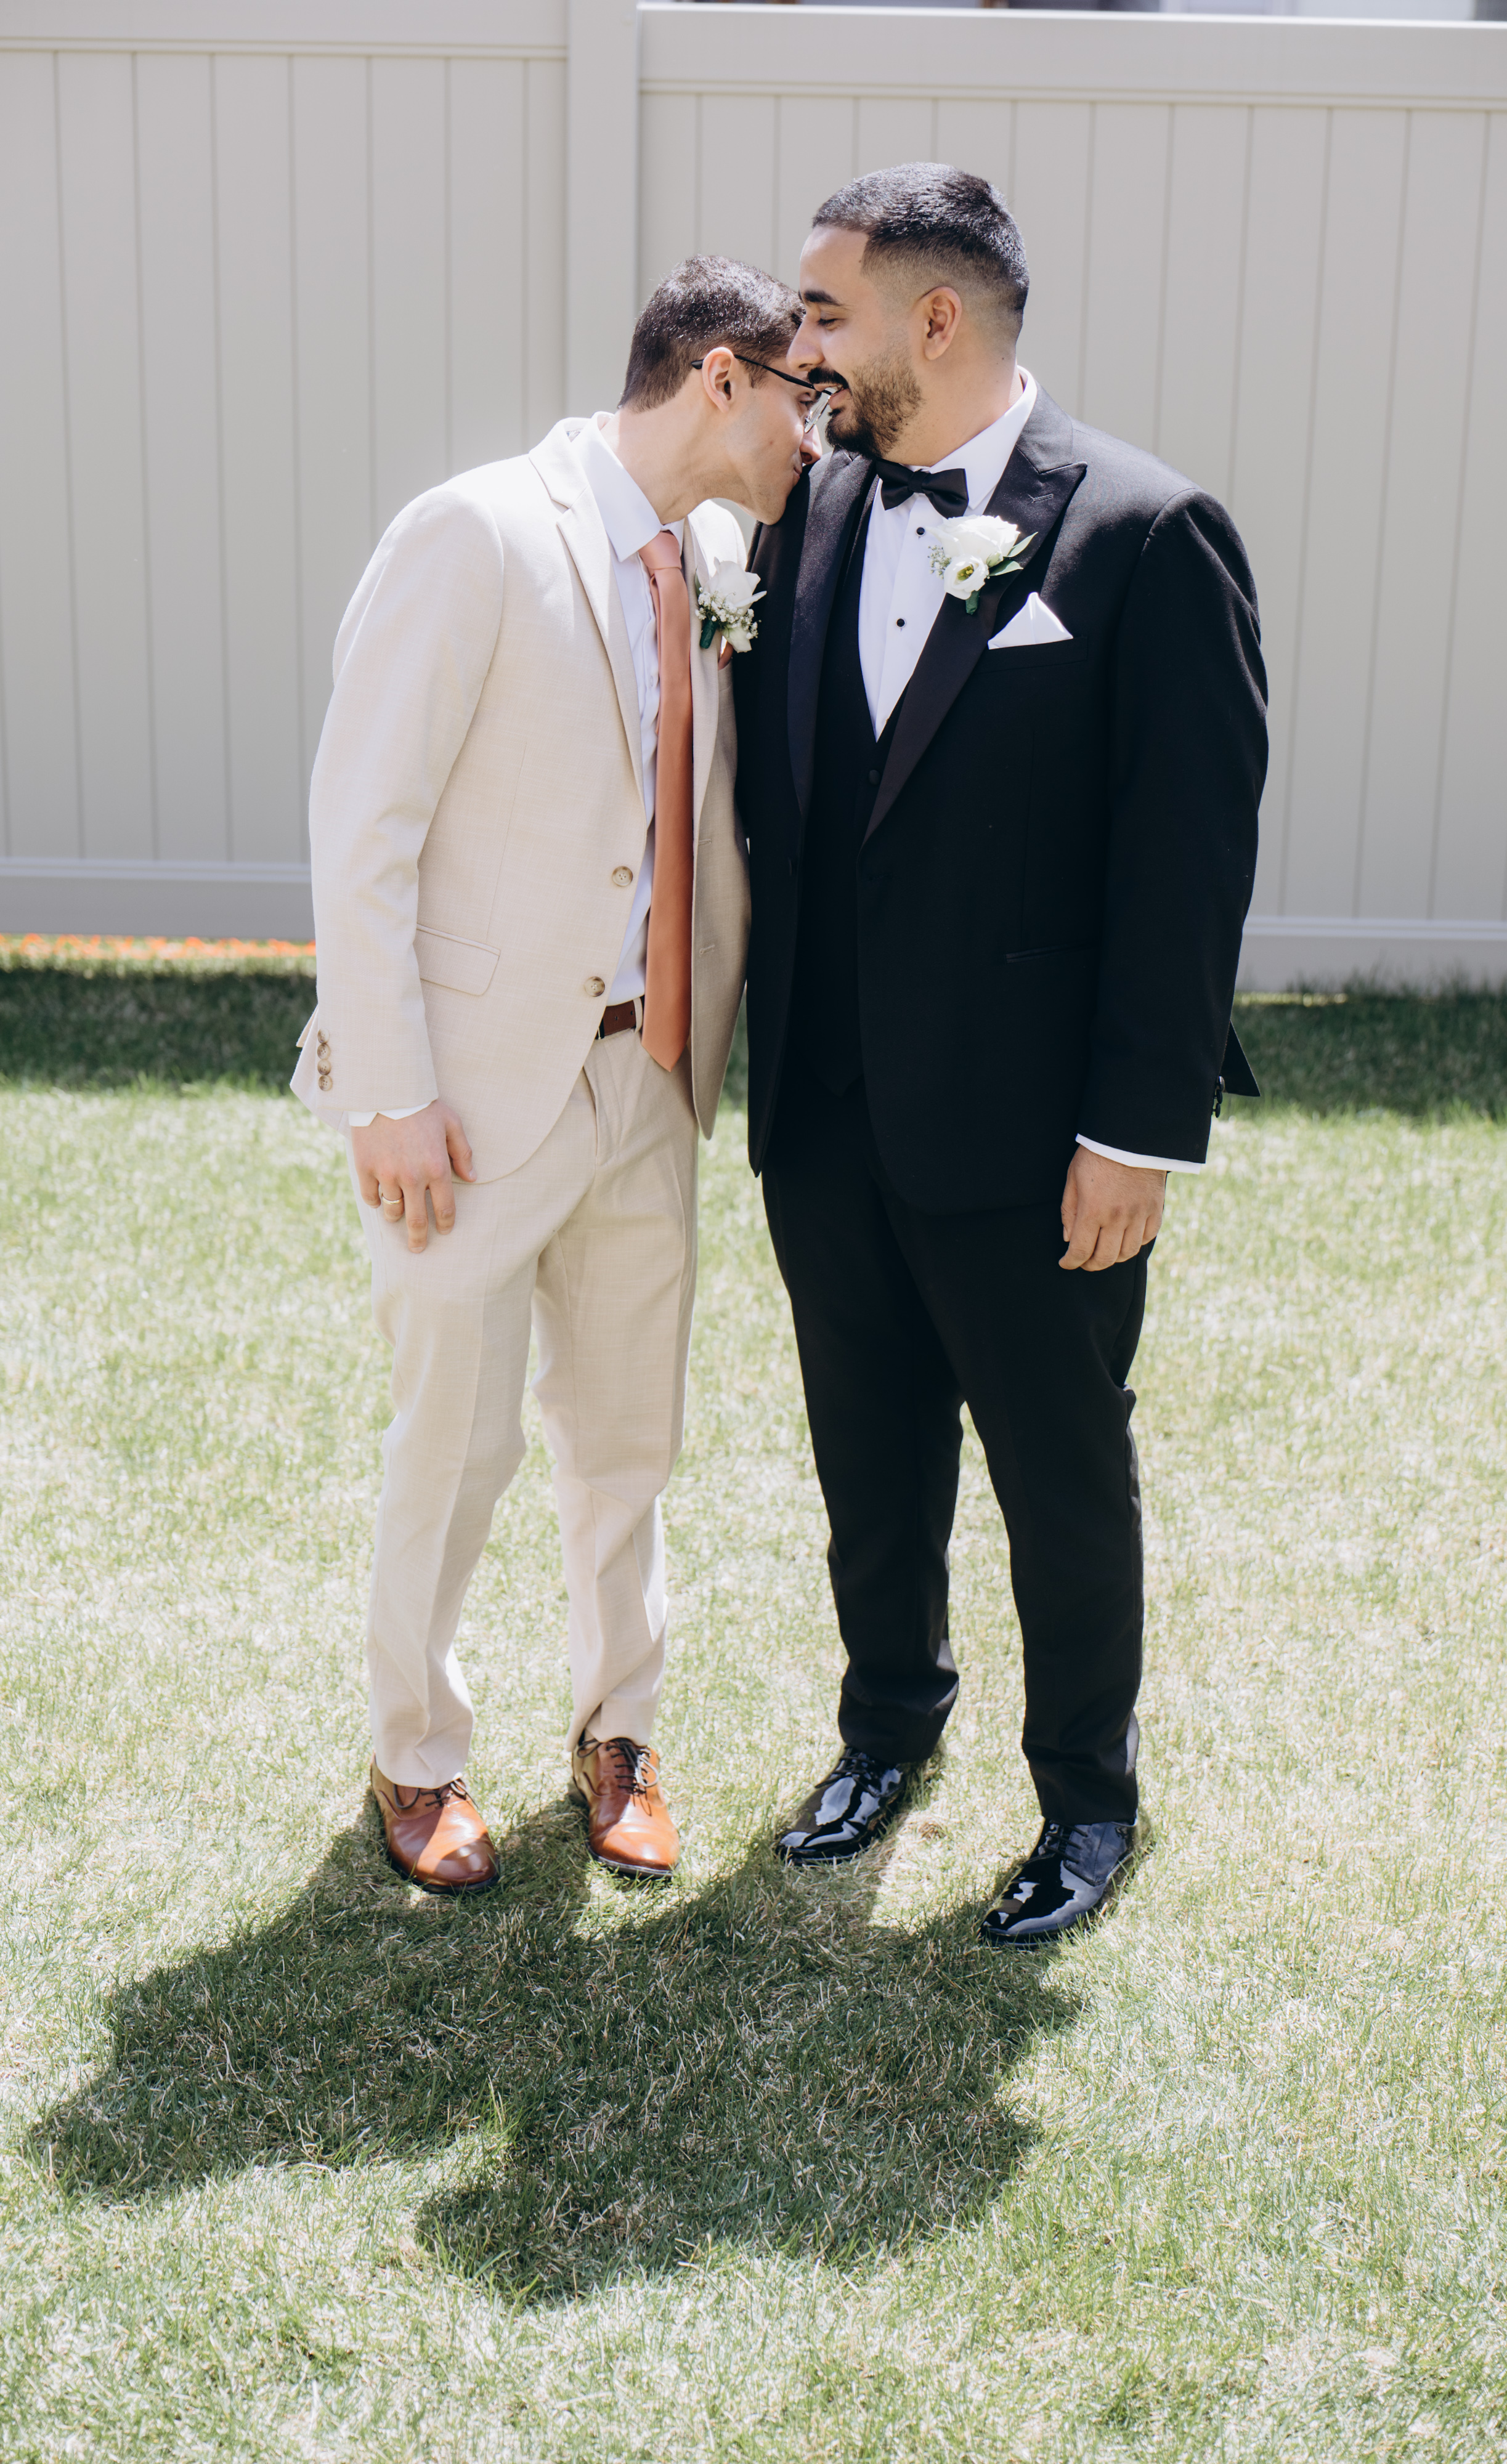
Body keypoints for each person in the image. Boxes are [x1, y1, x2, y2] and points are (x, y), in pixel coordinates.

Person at [733, 166, 1267, 1947]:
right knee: (866, 1458)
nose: (801, 342)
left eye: (825, 311)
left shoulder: (1145, 533)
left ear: (934, 319)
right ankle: (886, 1731)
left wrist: (1136, 1133)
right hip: (827, 1107)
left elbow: (1186, 868)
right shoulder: (809, 509)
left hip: (1037, 1134)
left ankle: (1087, 1798)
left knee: (1060, 1471)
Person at [293, 257, 819, 1892]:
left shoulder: (713, 560)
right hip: (465, 1093)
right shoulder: (476, 531)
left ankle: (620, 1734)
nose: (818, 435)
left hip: (649, 1077)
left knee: (627, 1442)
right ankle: (415, 1755)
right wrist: (387, 1091)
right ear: (722, 378)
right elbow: (362, 826)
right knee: (453, 1452)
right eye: (802, 399)